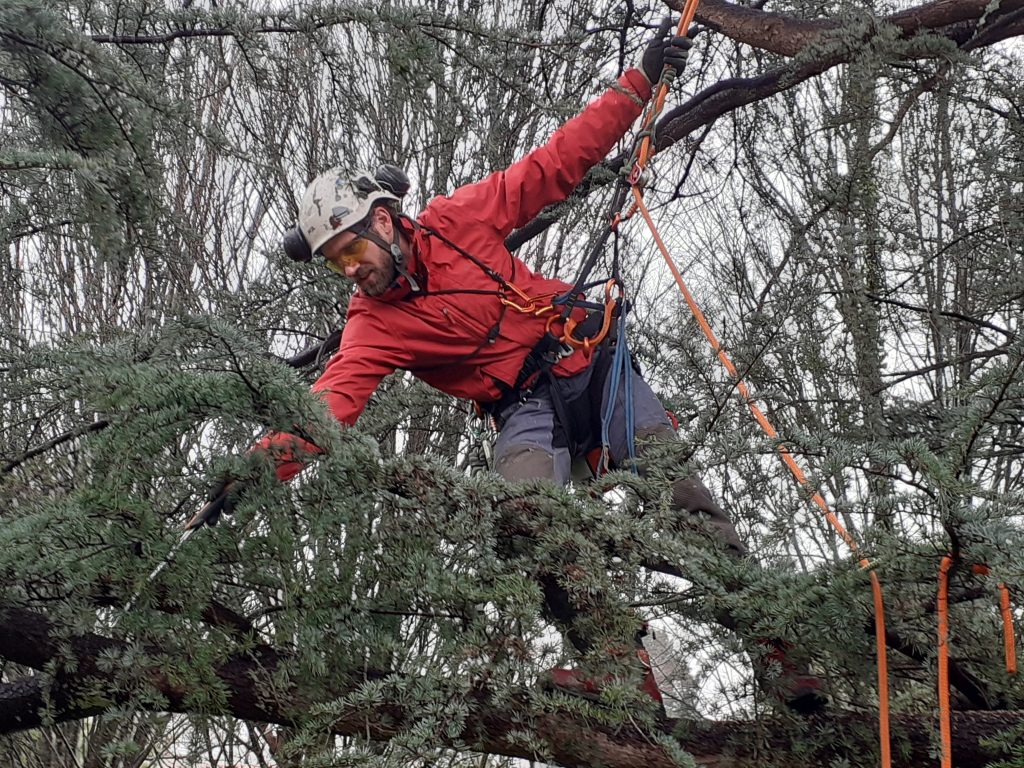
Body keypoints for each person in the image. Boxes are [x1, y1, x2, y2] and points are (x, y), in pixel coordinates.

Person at [210, 25, 824, 714]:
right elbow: (330, 406)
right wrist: (259, 469)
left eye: (352, 250)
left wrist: (641, 80)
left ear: (384, 221)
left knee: (680, 493)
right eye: (335, 263)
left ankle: (779, 649)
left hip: (592, 365)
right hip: (522, 407)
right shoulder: (372, 324)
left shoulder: (456, 220)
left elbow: (556, 162)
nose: (350, 270)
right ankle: (620, 667)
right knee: (528, 518)